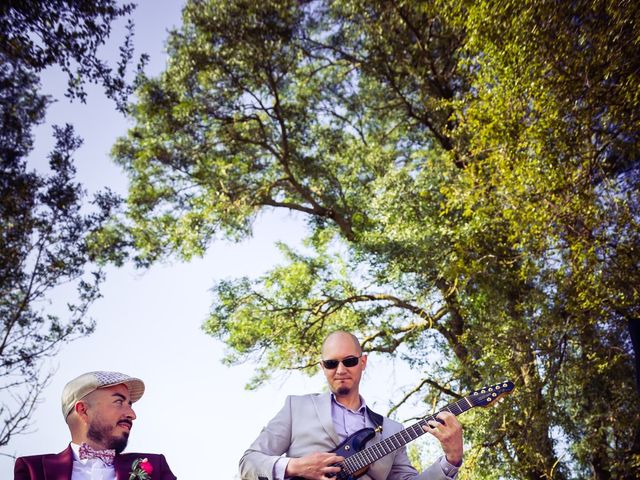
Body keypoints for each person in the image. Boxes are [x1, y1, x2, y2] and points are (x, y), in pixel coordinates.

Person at [239, 331, 463, 480]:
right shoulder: (296, 407)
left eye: (349, 361)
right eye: (331, 363)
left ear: (362, 362)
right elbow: (249, 463)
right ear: (322, 367)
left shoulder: (392, 430)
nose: (340, 370)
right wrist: (296, 466)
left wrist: (451, 460)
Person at [14, 370, 177, 480]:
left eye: (130, 405)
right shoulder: (33, 470)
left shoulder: (154, 466)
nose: (132, 415)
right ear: (83, 410)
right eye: (119, 402)